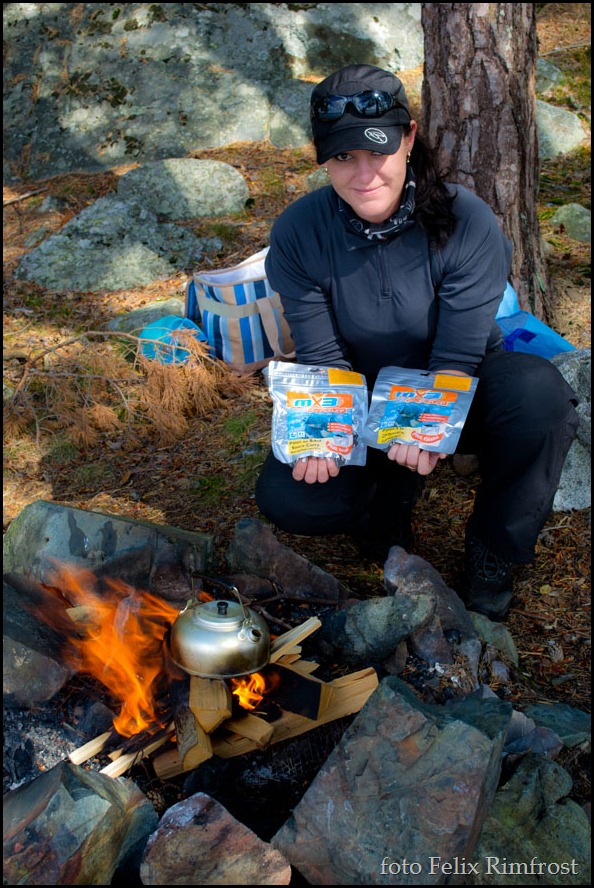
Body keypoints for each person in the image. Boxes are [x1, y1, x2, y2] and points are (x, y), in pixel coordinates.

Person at [255, 64, 579, 621]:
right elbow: (323, 359)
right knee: (290, 498)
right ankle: (384, 505)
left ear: (408, 138)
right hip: (358, 395)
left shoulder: (467, 223)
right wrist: (324, 435)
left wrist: (424, 423)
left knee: (540, 399)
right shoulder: (297, 232)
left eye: (376, 151)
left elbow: (456, 359)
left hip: (459, 387)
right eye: (342, 158)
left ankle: (494, 552)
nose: (363, 175)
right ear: (322, 157)